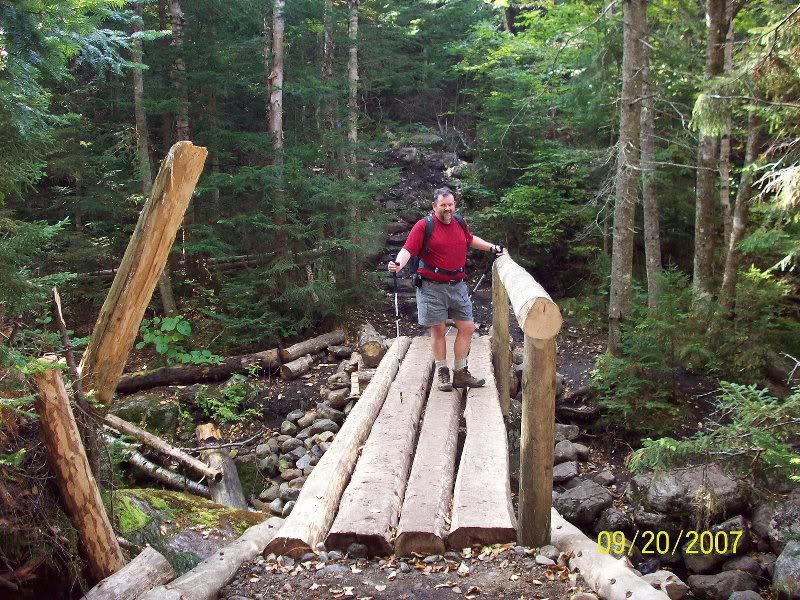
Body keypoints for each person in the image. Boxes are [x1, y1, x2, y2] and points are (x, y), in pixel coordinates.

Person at [388, 187, 506, 391]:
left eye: (450, 204)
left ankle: (460, 373)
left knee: (467, 327)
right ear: (435, 206)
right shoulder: (424, 226)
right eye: (443, 205)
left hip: (457, 285)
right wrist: (398, 264)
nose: (448, 209)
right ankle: (443, 372)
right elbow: (408, 249)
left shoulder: (459, 222)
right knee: (438, 329)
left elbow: (470, 240)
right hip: (431, 286)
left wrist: (491, 247)